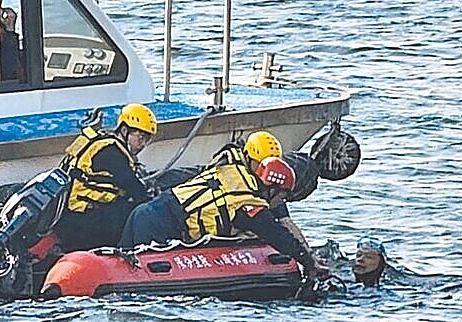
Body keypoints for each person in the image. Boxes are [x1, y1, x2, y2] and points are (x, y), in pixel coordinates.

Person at [119, 154, 318, 285]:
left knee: (123, 263)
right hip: (161, 224)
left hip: (144, 211)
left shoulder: (234, 172)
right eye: (282, 198)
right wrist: (308, 262)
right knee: (137, 283)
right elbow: (277, 235)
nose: (280, 204)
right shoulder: (247, 201)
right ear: (273, 189)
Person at [54, 103, 157, 251]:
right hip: (81, 221)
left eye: (147, 140)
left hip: (69, 216)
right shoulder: (111, 153)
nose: (142, 144)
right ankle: (131, 253)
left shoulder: (104, 143)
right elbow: (134, 188)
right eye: (140, 137)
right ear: (124, 130)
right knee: (141, 212)